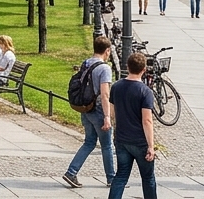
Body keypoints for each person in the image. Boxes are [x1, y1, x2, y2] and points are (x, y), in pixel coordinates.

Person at [62, 36, 115, 188]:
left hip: (86, 108)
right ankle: (112, 179)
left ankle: (71, 172)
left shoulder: (86, 63)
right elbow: (105, 95)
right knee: (107, 145)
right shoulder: (104, 68)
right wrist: (107, 117)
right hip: (98, 109)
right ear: (107, 51)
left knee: (89, 142)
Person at [109, 52, 157, 199]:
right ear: (144, 70)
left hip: (122, 139)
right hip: (140, 141)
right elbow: (147, 120)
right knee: (148, 178)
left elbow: (112, 113)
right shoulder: (145, 92)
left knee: (121, 175)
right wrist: (151, 146)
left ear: (128, 67)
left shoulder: (116, 87)